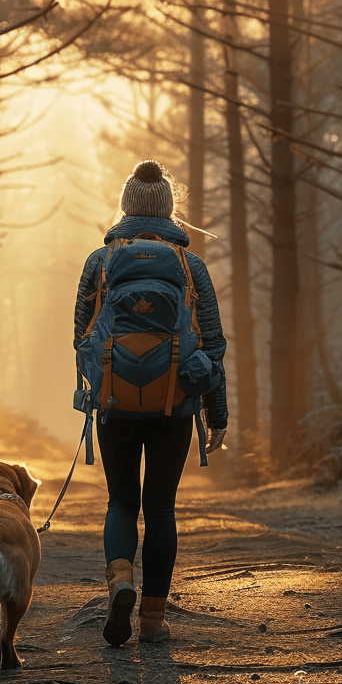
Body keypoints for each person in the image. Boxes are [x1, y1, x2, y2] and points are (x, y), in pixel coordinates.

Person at [72, 160, 228, 646]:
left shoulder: (99, 263)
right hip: (174, 402)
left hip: (115, 401)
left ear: (125, 206)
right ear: (169, 210)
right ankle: (153, 623)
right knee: (160, 509)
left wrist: (98, 381)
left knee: (121, 500)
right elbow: (213, 344)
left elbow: (81, 335)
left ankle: (120, 580)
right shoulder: (190, 265)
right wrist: (216, 411)